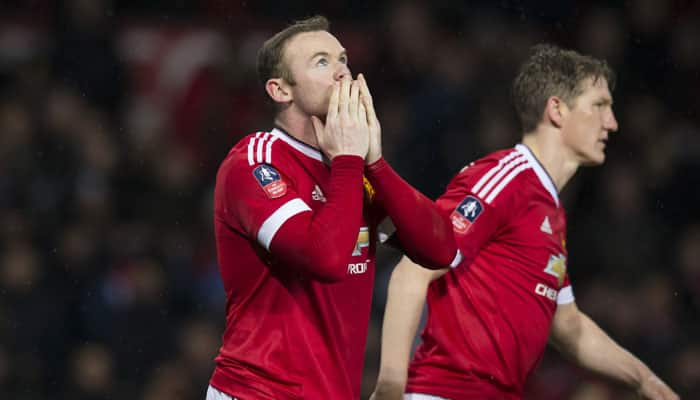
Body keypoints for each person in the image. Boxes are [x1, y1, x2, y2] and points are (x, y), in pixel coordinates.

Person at [371, 44, 679, 400]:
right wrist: (391, 384)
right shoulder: (506, 178)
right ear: (557, 110)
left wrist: (646, 382)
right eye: (599, 106)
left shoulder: (551, 210)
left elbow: (569, 327)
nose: (612, 122)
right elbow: (414, 269)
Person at [207, 16, 459, 400]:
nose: (343, 72)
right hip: (258, 391)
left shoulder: (352, 171)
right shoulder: (255, 162)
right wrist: (348, 163)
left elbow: (440, 249)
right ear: (280, 90)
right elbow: (324, 259)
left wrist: (376, 163)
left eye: (343, 59)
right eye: (322, 62)